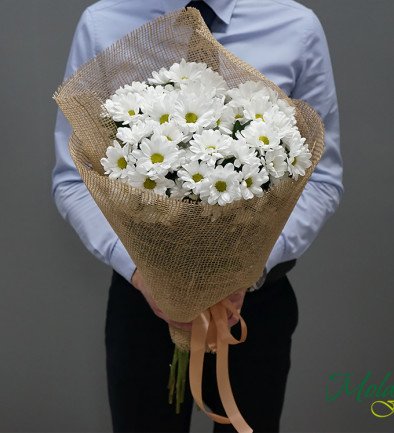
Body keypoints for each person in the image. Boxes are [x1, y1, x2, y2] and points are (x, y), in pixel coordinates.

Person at [52, 0, 343, 432]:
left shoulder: (295, 26)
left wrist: (248, 268)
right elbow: (73, 180)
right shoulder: (103, 23)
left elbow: (321, 177)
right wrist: (142, 274)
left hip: (252, 305)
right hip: (144, 305)